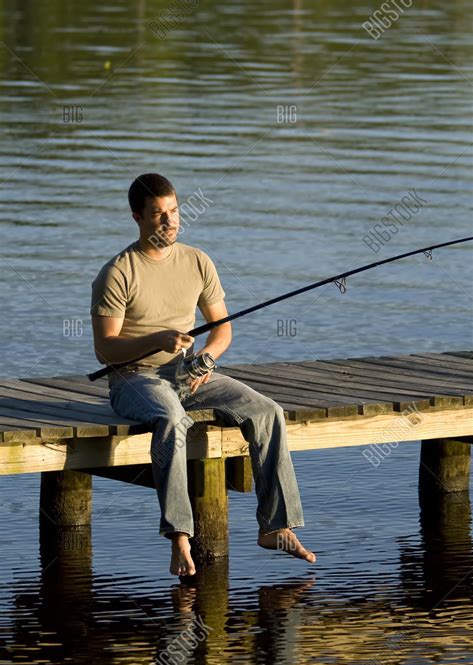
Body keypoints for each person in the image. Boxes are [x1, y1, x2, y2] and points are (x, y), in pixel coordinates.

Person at [90, 173, 316, 577]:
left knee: (268, 411)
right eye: (158, 215)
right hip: (134, 379)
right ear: (137, 217)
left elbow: (222, 328)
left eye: (173, 212)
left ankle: (275, 526)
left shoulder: (197, 261)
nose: (169, 222)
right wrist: (157, 338)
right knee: (173, 419)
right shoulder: (118, 272)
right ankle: (180, 535)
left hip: (189, 374)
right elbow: (105, 348)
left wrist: (207, 358)